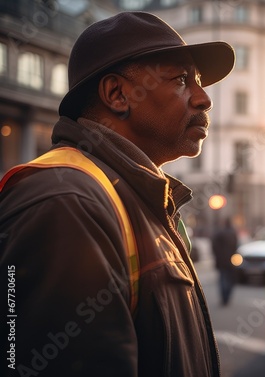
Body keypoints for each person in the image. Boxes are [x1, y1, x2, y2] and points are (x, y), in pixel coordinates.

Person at [0, 12, 234, 377]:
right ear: (117, 94)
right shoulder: (66, 203)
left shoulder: (137, 196)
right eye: (182, 79)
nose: (204, 99)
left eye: (200, 82)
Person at [211, 218, 239, 306]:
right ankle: (227, 298)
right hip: (231, 261)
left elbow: (214, 246)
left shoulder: (220, 233)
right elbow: (236, 247)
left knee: (223, 279)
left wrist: (217, 256)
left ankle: (224, 298)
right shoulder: (233, 233)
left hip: (221, 261)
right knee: (229, 280)